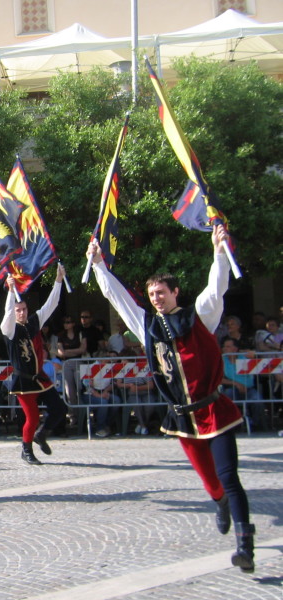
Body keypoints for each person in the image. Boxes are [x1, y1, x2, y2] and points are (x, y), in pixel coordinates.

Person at [87, 225, 256, 572]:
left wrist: (219, 250)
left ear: (175, 291)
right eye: (151, 294)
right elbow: (118, 298)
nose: (156, 298)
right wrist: (100, 265)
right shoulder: (147, 326)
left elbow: (217, 286)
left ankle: (244, 544)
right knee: (211, 482)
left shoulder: (200, 317)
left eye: (161, 292)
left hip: (213, 409)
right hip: (182, 417)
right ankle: (218, 502)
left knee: (229, 476)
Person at [1, 265, 67, 465]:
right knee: (32, 418)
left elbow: (51, 304)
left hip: (40, 377)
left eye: (23, 309)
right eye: (17, 310)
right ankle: (26, 449)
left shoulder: (33, 322)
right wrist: (11, 292)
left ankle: (42, 434)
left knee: (59, 408)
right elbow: (7, 314)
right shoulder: (9, 329)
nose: (21, 312)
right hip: (24, 381)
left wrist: (58, 280)